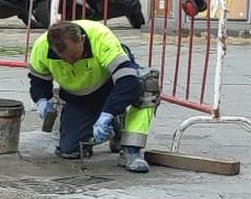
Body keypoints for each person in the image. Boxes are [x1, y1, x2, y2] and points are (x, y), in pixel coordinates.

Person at [30, 20, 158, 173]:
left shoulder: (101, 37)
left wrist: (107, 114)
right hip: (79, 96)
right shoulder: (41, 47)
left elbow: (127, 81)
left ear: (82, 40)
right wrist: (42, 100)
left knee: (147, 86)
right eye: (63, 58)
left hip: (111, 84)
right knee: (70, 151)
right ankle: (114, 122)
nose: (70, 61)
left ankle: (131, 150)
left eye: (73, 55)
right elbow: (38, 80)